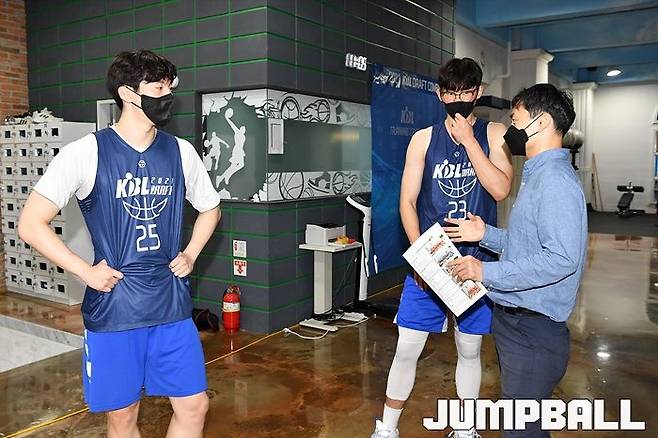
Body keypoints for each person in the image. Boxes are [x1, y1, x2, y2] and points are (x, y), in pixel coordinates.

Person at [18, 49, 221, 438]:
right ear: (129, 93)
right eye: (158, 88)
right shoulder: (85, 152)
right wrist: (85, 272)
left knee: (194, 405)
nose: (168, 96)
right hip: (116, 307)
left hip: (170, 303)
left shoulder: (180, 151)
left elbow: (210, 208)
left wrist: (191, 253)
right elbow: (30, 224)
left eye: (170, 88)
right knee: (123, 414)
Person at [371, 58, 513, 438]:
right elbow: (407, 201)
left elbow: (500, 189)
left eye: (466, 92)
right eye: (451, 92)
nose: (458, 99)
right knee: (408, 346)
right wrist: (422, 257)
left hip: (477, 260)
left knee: (469, 348)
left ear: (478, 92)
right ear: (440, 94)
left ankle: (465, 428)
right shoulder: (422, 139)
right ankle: (387, 428)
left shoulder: (494, 133)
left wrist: (469, 141)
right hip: (431, 258)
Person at [447, 83, 587, 437]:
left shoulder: (554, 181)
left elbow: (560, 259)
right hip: (518, 323)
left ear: (541, 123)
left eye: (515, 118)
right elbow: (528, 246)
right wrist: (485, 235)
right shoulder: (538, 174)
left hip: (533, 330)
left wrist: (485, 270)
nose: (511, 128)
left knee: (521, 429)